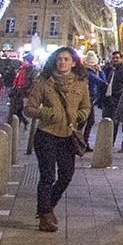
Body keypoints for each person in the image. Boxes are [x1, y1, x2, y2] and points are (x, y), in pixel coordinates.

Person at [24, 47, 92, 233]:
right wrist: (46, 113)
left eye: (66, 59)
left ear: (73, 62)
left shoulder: (81, 84)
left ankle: (47, 206)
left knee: (66, 175)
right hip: (46, 134)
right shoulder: (44, 83)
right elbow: (29, 108)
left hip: (67, 136)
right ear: (55, 61)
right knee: (47, 176)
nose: (62, 62)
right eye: (59, 59)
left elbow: (87, 107)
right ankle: (45, 215)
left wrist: (79, 115)